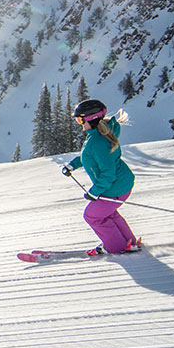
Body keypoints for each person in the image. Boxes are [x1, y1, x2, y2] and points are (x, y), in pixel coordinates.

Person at [61, 99, 140, 256]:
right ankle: (128, 242)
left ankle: (116, 246)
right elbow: (90, 157)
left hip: (114, 187)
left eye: (80, 119)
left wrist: (95, 191)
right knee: (108, 213)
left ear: (91, 119)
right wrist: (73, 165)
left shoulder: (97, 141)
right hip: (120, 184)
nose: (79, 123)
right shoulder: (97, 135)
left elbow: (108, 173)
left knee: (92, 216)